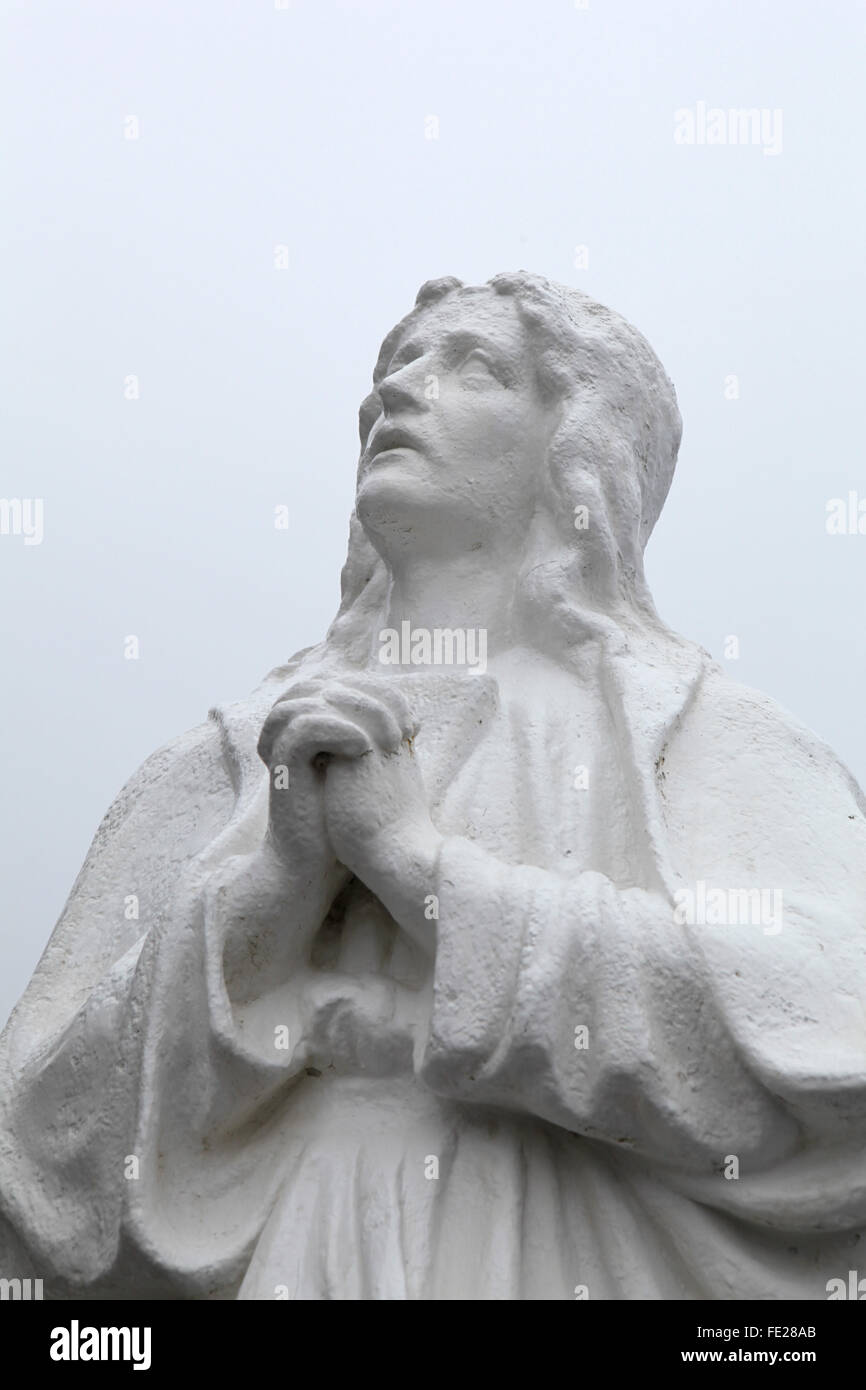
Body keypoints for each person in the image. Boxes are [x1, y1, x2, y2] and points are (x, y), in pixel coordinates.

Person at [2, 271, 865, 1300]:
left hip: (565, 1250)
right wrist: (272, 892)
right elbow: (40, 1145)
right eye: (398, 365)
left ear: (578, 449)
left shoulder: (691, 729)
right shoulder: (233, 754)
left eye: (476, 368)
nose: (399, 390)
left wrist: (421, 872)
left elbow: (824, 1033)